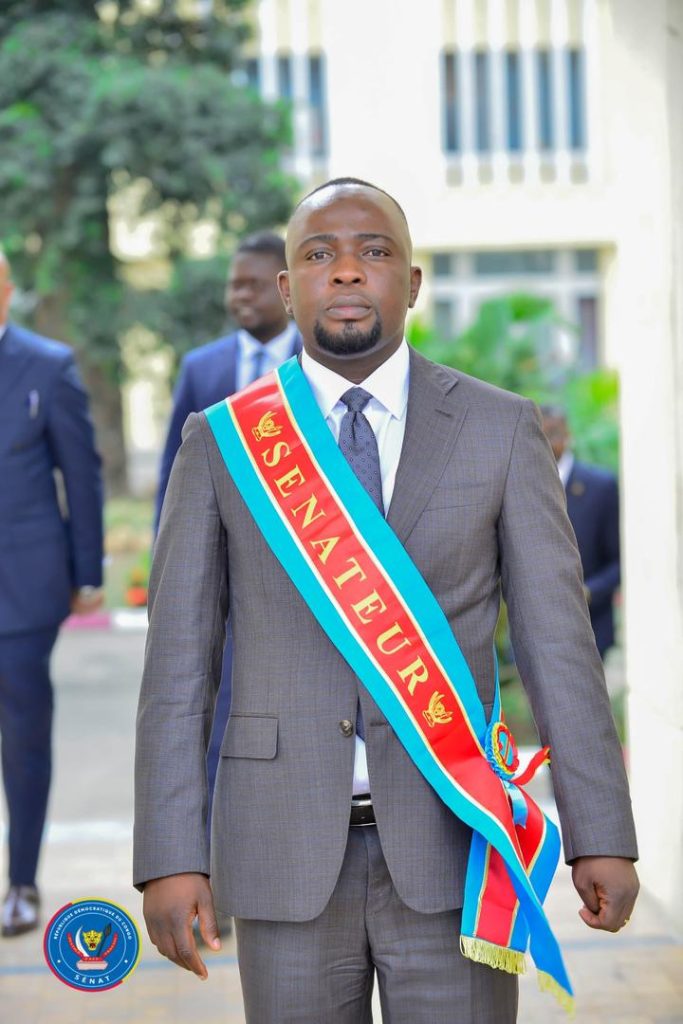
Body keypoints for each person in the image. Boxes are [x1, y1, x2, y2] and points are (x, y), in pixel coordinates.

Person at [134, 179, 638, 1024]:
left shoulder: (499, 428)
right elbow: (178, 669)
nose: (345, 271)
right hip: (280, 845)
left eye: (373, 251)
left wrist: (600, 832)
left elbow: (558, 643)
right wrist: (168, 853)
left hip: (454, 847)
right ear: (287, 287)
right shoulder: (222, 441)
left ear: (412, 282)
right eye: (318, 254)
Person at [154, 231, 301, 838]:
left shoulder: (321, 365)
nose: (238, 295)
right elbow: (173, 472)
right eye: (233, 285)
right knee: (218, 708)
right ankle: (218, 845)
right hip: (222, 568)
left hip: (309, 571)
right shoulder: (202, 367)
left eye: (251, 285)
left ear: (284, 289)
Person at [0, 249, 104, 938]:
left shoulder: (47, 366)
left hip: (19, 589)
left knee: (22, 736)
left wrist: (86, 571)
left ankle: (22, 882)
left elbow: (81, 473)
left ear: (6, 291)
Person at [541, 406, 621, 658]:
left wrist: (588, 592)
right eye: (540, 435)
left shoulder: (601, 487)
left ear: (567, 434)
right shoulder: (517, 484)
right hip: (536, 635)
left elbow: (620, 560)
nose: (547, 442)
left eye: (553, 433)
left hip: (590, 629)